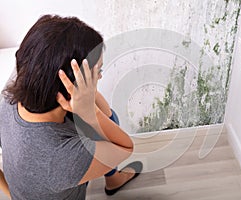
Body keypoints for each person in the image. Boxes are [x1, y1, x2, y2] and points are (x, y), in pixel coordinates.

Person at [0, 15, 142, 199]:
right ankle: (114, 178)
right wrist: (89, 112)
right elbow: (124, 147)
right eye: (97, 71)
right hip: (56, 167)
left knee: (108, 117)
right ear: (69, 86)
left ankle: (113, 178)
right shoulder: (62, 159)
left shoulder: (11, 95)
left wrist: (13, 194)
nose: (99, 77)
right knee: (107, 121)